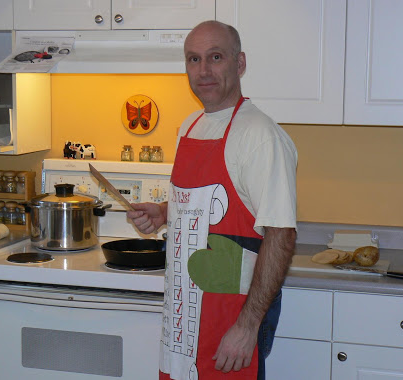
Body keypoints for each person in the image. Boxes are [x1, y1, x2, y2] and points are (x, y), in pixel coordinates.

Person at [127, 20, 297, 380]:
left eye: (215, 57)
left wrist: (247, 327)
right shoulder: (190, 126)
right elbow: (204, 205)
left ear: (240, 64)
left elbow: (281, 235)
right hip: (187, 308)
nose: (203, 70)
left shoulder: (261, 136)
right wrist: (162, 212)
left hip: (233, 311)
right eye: (193, 59)